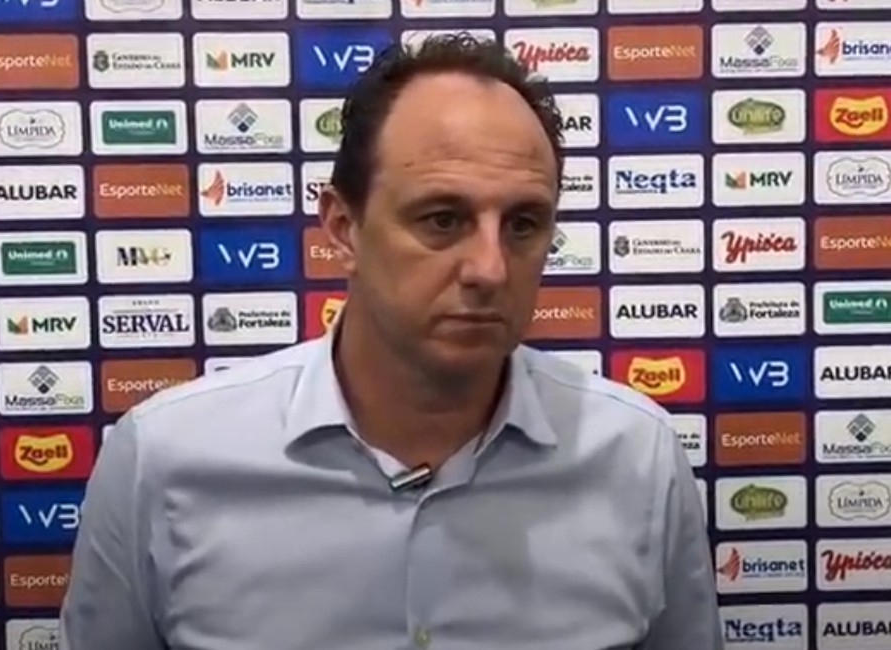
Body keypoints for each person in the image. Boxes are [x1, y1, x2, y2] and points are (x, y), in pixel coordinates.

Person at [59, 33, 724, 650]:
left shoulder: (636, 458)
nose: (490, 269)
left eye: (523, 224)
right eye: (442, 219)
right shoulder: (163, 460)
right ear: (343, 228)